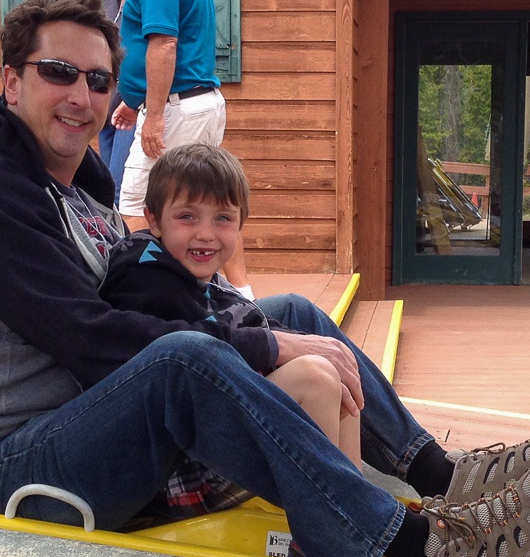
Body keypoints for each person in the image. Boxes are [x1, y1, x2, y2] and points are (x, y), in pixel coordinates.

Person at [0, 0, 530, 557]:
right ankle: (409, 546)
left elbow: (144, 305)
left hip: (86, 427)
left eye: (99, 80)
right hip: (1, 467)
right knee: (189, 359)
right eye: (58, 72)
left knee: (291, 311)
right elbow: (89, 337)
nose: (81, 95)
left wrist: (265, 329)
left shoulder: (77, 194)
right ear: (12, 83)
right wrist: (259, 347)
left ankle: (437, 474)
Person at [100, 143, 360, 469]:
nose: (205, 234)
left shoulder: (191, 275)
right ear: (153, 220)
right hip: (168, 458)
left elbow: (243, 320)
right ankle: (336, 508)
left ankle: (357, 493)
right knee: (315, 378)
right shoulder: (145, 276)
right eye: (186, 217)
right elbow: (197, 352)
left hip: (206, 428)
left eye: (222, 218)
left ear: (240, 226)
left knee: (333, 364)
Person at [106, 0, 252, 297]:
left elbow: (164, 44)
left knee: (136, 207)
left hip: (176, 109)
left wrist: (153, 115)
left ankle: (160, 297)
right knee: (213, 205)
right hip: (199, 102)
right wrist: (135, 104)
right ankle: (241, 295)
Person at [97, 0, 139, 204]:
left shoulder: (144, 1)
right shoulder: (111, 4)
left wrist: (132, 98)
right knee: (108, 184)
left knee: (121, 189)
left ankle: (124, 246)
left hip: (130, 109)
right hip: (106, 110)